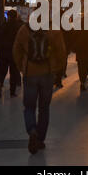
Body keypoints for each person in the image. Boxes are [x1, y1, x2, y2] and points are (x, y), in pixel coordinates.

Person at [13, 23, 66, 154]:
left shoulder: (24, 29)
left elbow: (16, 50)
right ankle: (40, 139)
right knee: (44, 108)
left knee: (29, 106)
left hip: (30, 73)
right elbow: (61, 51)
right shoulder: (53, 29)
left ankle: (32, 131)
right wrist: (58, 68)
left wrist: (22, 67)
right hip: (47, 73)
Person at [0, 10, 23, 98]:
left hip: (3, 53)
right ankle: (12, 91)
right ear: (16, 16)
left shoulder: (2, 26)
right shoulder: (18, 27)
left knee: (2, 71)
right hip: (14, 53)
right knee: (13, 72)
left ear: (8, 16)